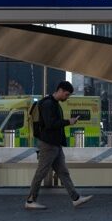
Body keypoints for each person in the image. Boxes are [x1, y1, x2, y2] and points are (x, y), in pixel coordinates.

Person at [24, 81, 92, 210]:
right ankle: (30, 200)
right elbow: (50, 124)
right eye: (66, 94)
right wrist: (68, 122)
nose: (67, 98)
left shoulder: (53, 103)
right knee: (41, 172)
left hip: (54, 144)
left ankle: (75, 198)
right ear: (60, 90)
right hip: (48, 144)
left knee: (63, 172)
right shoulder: (49, 104)